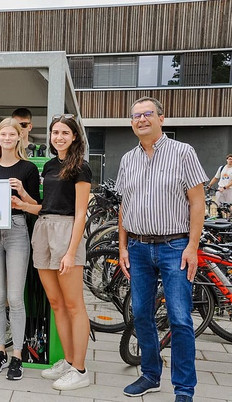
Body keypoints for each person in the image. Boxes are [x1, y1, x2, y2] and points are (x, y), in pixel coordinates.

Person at [116, 97, 207, 401]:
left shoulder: (183, 153)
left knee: (180, 318)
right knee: (141, 314)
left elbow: (197, 202)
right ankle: (150, 375)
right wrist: (123, 246)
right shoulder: (128, 159)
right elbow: (123, 206)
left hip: (175, 246)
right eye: (135, 116)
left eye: (147, 114)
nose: (141, 119)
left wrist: (192, 246)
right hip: (138, 248)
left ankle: (184, 388)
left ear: (161, 118)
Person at [12, 114, 92, 390]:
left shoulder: (81, 167)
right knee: (56, 304)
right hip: (44, 231)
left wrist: (71, 253)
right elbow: (45, 207)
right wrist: (22, 202)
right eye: (55, 132)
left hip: (67, 233)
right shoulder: (48, 165)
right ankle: (68, 362)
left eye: (64, 133)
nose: (58, 137)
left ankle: (81, 369)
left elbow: (80, 214)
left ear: (74, 137)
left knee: (74, 305)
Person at [0, 118, 40, 381]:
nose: (7, 138)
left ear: (18, 138)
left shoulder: (27, 168)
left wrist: (22, 191)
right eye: (2, 134)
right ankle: (0, 350)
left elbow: (37, 205)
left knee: (15, 298)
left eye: (11, 134)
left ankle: (17, 355)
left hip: (17, 229)